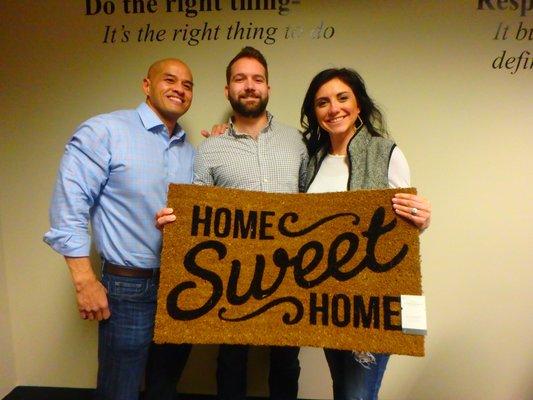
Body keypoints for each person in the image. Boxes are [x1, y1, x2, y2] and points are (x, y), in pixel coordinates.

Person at [157, 46, 306, 400]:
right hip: (233, 277)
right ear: (228, 91)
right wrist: (174, 224)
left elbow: (314, 201)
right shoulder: (210, 149)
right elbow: (198, 213)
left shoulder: (299, 142)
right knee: (231, 361)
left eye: (257, 79)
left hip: (289, 274)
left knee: (286, 363)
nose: (249, 86)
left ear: (269, 88)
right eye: (240, 79)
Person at [43, 58, 195, 400]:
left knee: (165, 386)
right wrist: (84, 281)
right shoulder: (105, 131)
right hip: (128, 287)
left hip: (182, 287)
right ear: (146, 85)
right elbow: (69, 206)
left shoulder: (192, 151)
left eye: (187, 85)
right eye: (170, 80)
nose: (179, 89)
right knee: (120, 390)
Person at [300, 67, 431, 400]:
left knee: (358, 395)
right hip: (326, 299)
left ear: (359, 106)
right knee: (342, 389)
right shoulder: (312, 160)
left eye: (343, 98)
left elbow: (403, 228)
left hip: (371, 301)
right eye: (322, 102)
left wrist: (422, 218)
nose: (334, 109)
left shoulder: (386, 152)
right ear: (315, 113)